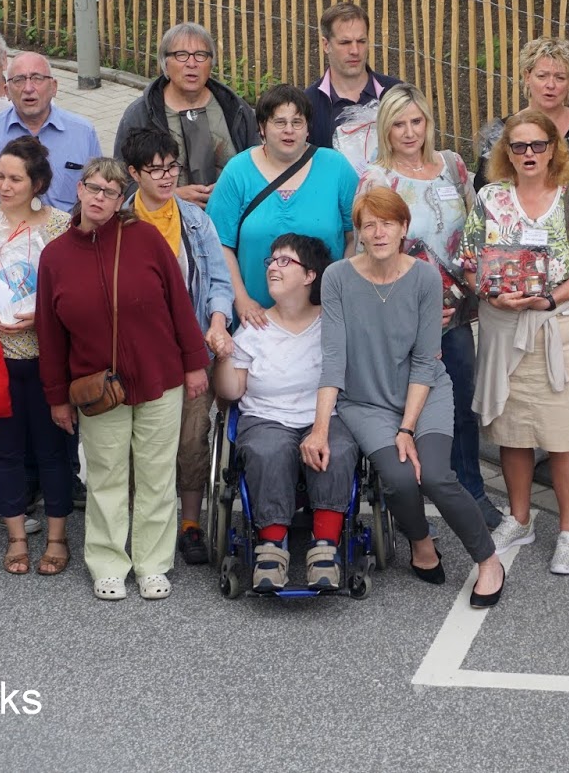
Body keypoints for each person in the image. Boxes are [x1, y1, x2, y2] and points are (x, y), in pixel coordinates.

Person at [312, 188, 508, 607]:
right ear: (359, 233)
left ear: (404, 228)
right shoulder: (336, 278)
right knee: (399, 478)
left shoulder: (424, 277)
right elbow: (332, 358)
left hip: (425, 390)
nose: (379, 232)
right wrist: (320, 428)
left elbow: (425, 360)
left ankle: (488, 560)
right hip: (365, 401)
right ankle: (420, 542)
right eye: (369, 224)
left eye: (388, 223)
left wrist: (407, 427)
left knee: (436, 475)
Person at [36, 158, 210, 602]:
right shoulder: (54, 257)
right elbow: (50, 336)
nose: (99, 198)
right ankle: (109, 562)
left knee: (155, 477)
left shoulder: (146, 239)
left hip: (160, 378)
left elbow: (180, 307)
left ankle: (153, 564)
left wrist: (194, 366)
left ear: (121, 200)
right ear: (78, 190)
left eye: (110, 193)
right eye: (93, 188)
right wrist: (57, 398)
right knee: (106, 478)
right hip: (99, 390)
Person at [465, 110, 569, 575]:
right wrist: (491, 292)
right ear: (506, 151)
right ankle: (520, 518)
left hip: (555, 328)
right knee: (511, 429)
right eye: (519, 146)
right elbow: (469, 261)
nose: (529, 154)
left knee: (559, 434)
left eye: (538, 145)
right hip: (503, 328)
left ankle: (568, 531)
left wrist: (548, 298)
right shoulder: (490, 197)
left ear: (554, 149)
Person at [357, 84, 500, 526]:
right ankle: (410, 500)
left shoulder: (453, 167)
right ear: (386, 128)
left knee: (460, 404)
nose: (409, 131)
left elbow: (477, 228)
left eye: (416, 121)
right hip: (403, 314)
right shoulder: (377, 179)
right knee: (408, 409)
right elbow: (367, 251)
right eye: (398, 123)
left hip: (454, 313)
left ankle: (470, 493)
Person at [0, 137, 73, 577]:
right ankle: (17, 537)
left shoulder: (61, 227)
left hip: (48, 358)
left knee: (53, 450)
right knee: (4, 452)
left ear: (37, 182)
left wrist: (42, 318)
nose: (5, 186)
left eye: (15, 178)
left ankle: (58, 539)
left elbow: (74, 302)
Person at [122, 127, 236, 565]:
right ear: (134, 173)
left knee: (192, 439)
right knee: (138, 443)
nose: (166, 177)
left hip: (191, 351)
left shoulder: (193, 219)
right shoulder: (119, 221)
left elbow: (218, 283)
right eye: (155, 170)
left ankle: (189, 524)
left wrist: (218, 322)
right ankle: (142, 522)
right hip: (136, 355)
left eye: (172, 167)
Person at [212, 235, 351, 590]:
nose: (273, 266)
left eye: (285, 261)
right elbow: (231, 392)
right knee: (267, 450)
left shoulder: (332, 322)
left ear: (310, 276)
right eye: (271, 261)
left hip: (324, 416)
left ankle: (325, 547)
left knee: (339, 448)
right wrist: (225, 354)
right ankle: (272, 547)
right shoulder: (254, 326)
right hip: (265, 416)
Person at [209, 85, 357, 328]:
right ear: (262, 128)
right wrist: (241, 300)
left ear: (308, 128)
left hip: (323, 315)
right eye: (279, 122)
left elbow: (356, 236)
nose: (289, 130)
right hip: (255, 319)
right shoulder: (238, 171)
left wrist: (339, 293)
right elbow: (219, 243)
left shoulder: (336, 167)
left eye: (297, 122)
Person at [113, 22, 258, 208]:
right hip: (164, 224)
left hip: (230, 220)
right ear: (165, 62)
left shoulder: (235, 109)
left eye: (201, 55)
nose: (192, 64)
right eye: (181, 55)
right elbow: (121, 181)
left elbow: (259, 167)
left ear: (211, 63)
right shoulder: (140, 115)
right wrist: (170, 196)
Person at [0, 51, 102, 211]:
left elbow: (98, 191)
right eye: (19, 80)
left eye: (37, 78)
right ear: (7, 91)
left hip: (67, 232)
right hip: (4, 233)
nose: (28, 88)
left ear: (54, 87)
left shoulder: (83, 133)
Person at [474, 37, 569, 190]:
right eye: (542, 76)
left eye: (560, 77)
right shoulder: (500, 131)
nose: (550, 85)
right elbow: (484, 186)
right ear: (527, 77)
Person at [305, 2, 401, 161]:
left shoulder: (395, 93)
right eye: (345, 43)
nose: (355, 51)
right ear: (326, 44)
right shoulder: (308, 104)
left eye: (361, 41)